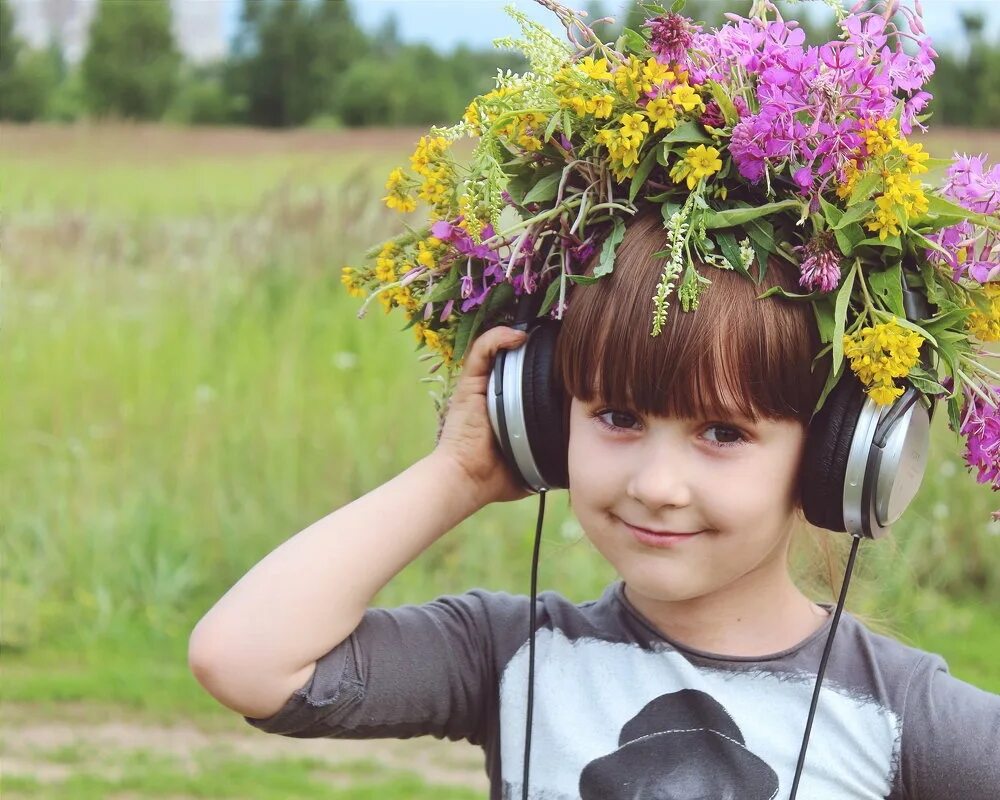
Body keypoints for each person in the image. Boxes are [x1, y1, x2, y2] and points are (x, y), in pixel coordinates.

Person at [189, 0, 1000, 796]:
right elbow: (244, 659)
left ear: (839, 455)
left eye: (721, 432)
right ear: (544, 420)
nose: (655, 483)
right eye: (616, 418)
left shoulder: (901, 718)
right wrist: (460, 475)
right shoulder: (512, 656)